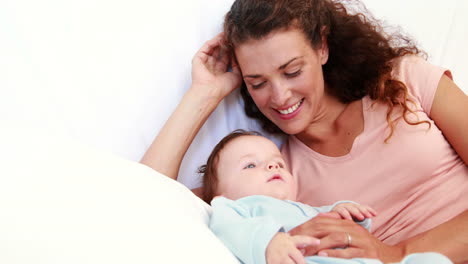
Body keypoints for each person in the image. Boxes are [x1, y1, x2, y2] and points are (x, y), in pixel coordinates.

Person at [141, 0, 468, 262]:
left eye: (292, 71)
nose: (280, 96)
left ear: (322, 47)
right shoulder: (274, 174)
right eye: (258, 83)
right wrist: (204, 94)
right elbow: (144, 199)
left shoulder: (404, 79)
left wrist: (399, 254)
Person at [202, 129, 451, 264]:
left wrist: (344, 212)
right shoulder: (233, 208)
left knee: (431, 260)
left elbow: (334, 225)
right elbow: (229, 229)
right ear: (220, 193)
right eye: (250, 165)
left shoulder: (305, 209)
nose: (272, 167)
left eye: (277, 162)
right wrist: (268, 243)